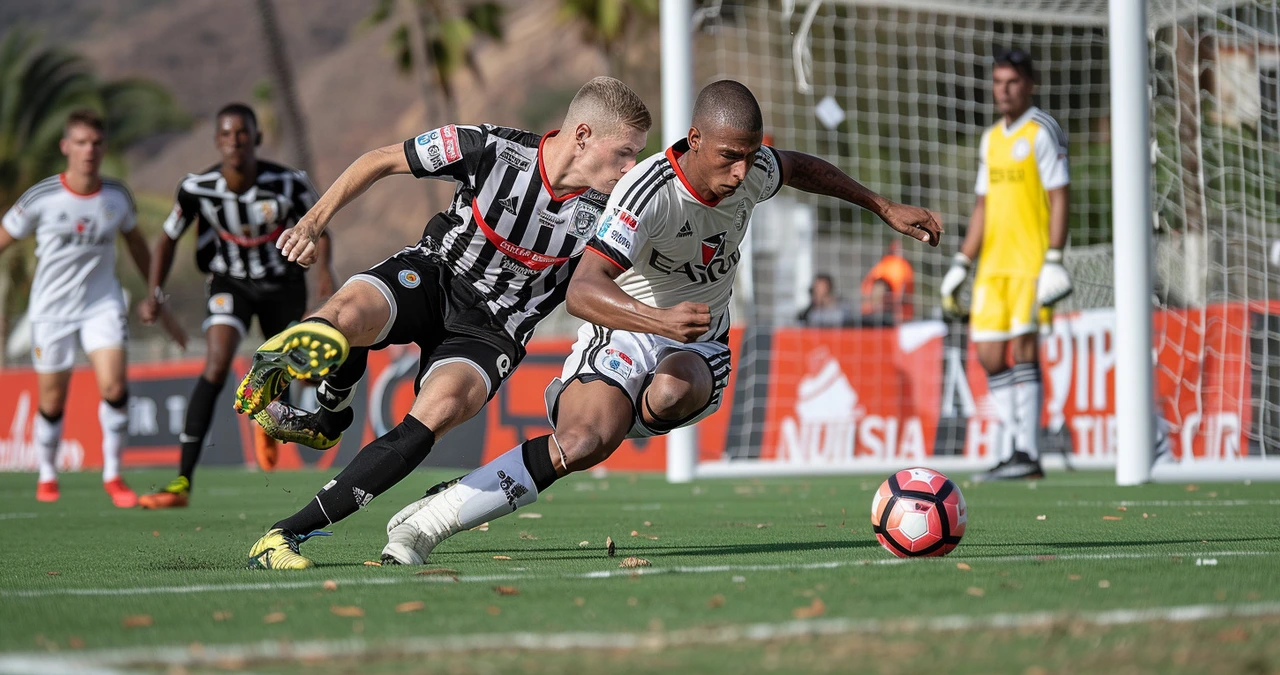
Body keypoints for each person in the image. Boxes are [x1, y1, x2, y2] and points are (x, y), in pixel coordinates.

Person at [381, 80, 942, 566]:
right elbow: (583, 290)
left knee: (672, 391)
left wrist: (882, 206)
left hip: (698, 341)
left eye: (749, 155)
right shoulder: (648, 192)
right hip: (624, 327)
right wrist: (657, 319)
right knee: (580, 443)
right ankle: (430, 520)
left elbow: (799, 167)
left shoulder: (752, 171)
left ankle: (611, 412)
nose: (741, 171)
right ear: (694, 139)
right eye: (728, 156)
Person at [240, 77, 652, 569]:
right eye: (624, 154)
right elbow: (379, 160)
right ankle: (314, 398)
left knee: (437, 415)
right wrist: (311, 223)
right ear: (582, 135)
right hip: (435, 273)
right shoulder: (490, 149)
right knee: (348, 314)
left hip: (494, 328)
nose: (631, 170)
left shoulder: (615, 210)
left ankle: (284, 533)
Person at [135, 103, 334, 508]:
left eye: (242, 133)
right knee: (216, 363)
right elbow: (168, 238)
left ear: (257, 138)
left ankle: (269, 410)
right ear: (216, 142)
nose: (234, 141)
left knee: (302, 371)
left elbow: (321, 229)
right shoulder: (196, 188)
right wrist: (154, 291)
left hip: (283, 283)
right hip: (231, 283)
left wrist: (324, 273)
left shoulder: (290, 183)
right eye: (226, 134)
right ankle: (182, 483)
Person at [0, 110, 186, 506]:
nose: (89, 151)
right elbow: (4, 237)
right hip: (50, 311)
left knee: (114, 386)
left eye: (96, 143)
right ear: (66, 147)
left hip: (101, 305)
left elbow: (136, 244)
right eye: (81, 143)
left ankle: (113, 475)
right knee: (51, 400)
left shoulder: (116, 197)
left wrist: (156, 295)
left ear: (104, 148)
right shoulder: (42, 197)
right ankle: (47, 474)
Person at [940, 49, 1071, 481]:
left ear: (1029, 84)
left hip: (1031, 264)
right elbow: (982, 207)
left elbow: (1059, 197)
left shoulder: (1041, 131)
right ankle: (1016, 448)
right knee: (990, 355)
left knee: (1025, 348)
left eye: (1012, 82)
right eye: (998, 82)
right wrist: (962, 261)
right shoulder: (990, 139)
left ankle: (1028, 453)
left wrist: (1054, 257)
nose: (1003, 90)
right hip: (992, 269)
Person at [860, 240, 914, 325]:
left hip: (883, 312)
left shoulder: (882, 265)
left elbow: (867, 286)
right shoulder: (902, 266)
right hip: (895, 313)